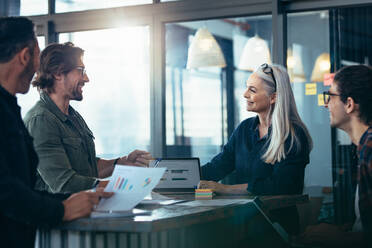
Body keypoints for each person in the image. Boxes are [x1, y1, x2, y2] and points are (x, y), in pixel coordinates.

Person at [0, 17, 113, 248]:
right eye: (36, 57)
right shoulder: (31, 116)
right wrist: (61, 209)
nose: (37, 70)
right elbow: (6, 191)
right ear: (24, 56)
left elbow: (23, 189)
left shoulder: (10, 108)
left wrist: (70, 203)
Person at [23, 42, 153, 194]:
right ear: (58, 73)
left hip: (85, 213)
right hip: (58, 216)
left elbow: (87, 168)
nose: (86, 78)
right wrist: (125, 185)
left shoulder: (73, 116)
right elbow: (65, 184)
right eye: (81, 71)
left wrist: (122, 163)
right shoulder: (41, 120)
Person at [199, 64, 312, 196]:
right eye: (247, 88)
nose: (245, 94)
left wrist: (225, 188)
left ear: (273, 97)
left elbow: (282, 186)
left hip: (273, 215)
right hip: (243, 214)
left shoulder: (294, 135)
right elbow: (219, 166)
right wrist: (183, 175)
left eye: (252, 90)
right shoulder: (244, 129)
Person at [299, 65, 372, 248]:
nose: (325, 104)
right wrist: (343, 231)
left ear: (349, 104)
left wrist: (339, 239)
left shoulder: (370, 148)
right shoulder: (363, 147)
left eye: (330, 97)